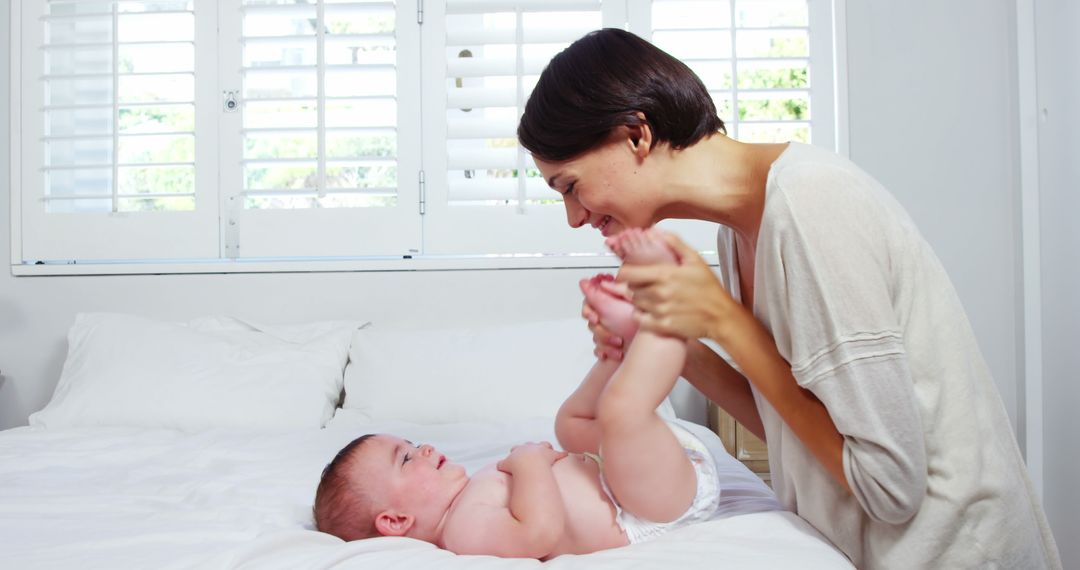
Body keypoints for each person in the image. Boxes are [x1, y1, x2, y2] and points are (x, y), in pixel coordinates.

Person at [516, 28, 1061, 569]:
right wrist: (675, 343)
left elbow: (892, 488)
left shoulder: (810, 203)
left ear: (636, 133)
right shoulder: (740, 232)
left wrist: (726, 322)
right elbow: (793, 427)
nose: (574, 217)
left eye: (569, 186)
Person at [312, 229, 775, 559]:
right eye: (406, 458)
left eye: (410, 444)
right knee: (619, 411)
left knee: (569, 423)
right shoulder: (464, 535)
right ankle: (661, 327)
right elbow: (540, 532)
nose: (424, 447)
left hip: (626, 477)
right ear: (395, 521)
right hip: (648, 508)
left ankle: (616, 350)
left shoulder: (470, 502)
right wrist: (531, 463)